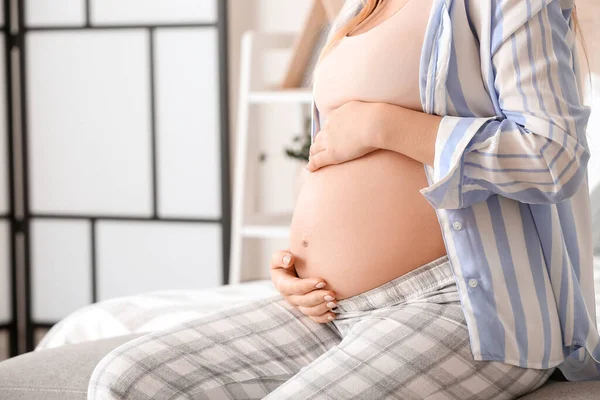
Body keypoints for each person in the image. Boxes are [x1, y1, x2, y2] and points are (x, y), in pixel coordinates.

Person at [88, 0, 599, 398]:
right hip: (327, 307)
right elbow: (332, 155)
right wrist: (298, 259)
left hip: (462, 305)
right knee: (124, 380)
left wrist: (386, 125)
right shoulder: (360, 7)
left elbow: (554, 155)